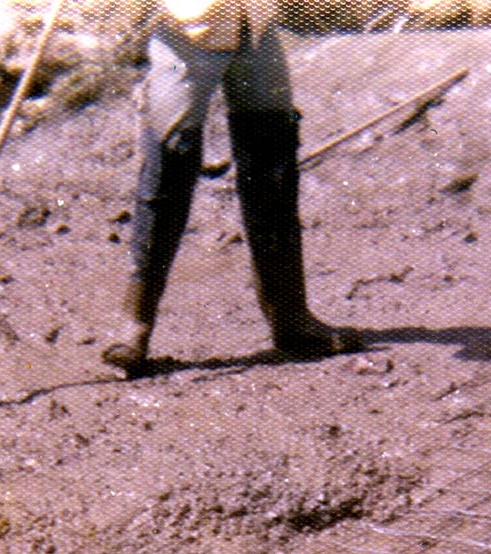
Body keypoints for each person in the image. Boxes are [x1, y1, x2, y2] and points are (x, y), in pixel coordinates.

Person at [102, 0, 364, 377]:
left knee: (272, 161)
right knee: (169, 163)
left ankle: (291, 319)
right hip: (186, 31)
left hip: (253, 28)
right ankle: (134, 326)